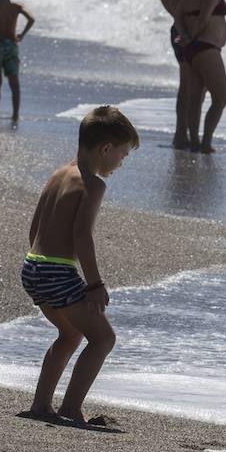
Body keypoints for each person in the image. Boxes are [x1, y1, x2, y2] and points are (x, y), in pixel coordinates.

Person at [19, 105, 139, 426]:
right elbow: (82, 236)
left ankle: (41, 405)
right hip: (57, 270)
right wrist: (94, 284)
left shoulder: (59, 174)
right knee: (103, 339)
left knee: (70, 334)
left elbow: (35, 227)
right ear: (106, 148)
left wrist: (41, 261)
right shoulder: (93, 184)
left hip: (33, 265)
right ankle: (71, 408)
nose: (122, 162)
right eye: (123, 154)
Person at [173, 0, 226, 153]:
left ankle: (195, 142)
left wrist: (186, 37)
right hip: (206, 47)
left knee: (195, 98)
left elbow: (178, 15)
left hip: (192, 49)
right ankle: (205, 142)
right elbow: (205, 17)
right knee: (221, 97)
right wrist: (194, 36)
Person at [157, 0, 208, 149]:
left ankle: (183, 134)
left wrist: (176, 19)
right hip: (184, 34)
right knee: (189, 86)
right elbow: (180, 5)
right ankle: (181, 134)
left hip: (180, 31)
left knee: (188, 85)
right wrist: (182, 24)